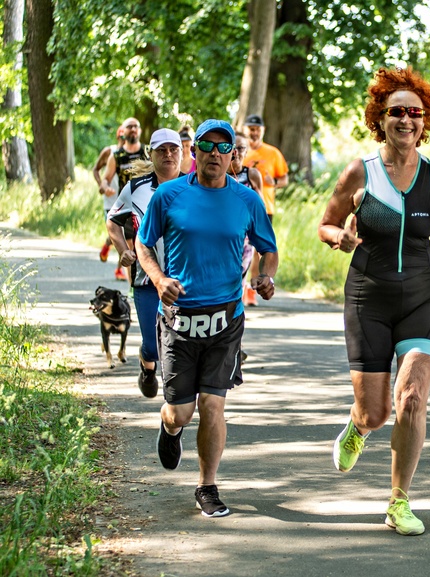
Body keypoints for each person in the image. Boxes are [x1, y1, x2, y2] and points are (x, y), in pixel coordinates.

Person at [318, 67, 430, 536]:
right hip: (368, 298)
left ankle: (399, 501)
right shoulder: (360, 171)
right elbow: (326, 223)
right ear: (381, 118)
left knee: (411, 398)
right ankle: (357, 426)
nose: (406, 120)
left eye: (415, 112)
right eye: (397, 112)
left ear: (424, 120)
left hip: (421, 297)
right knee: (377, 412)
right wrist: (341, 240)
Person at [135, 119, 278, 518]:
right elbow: (143, 243)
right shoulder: (168, 196)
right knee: (181, 411)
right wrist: (159, 278)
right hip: (180, 319)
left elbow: (269, 249)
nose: (214, 153)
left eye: (223, 147)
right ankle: (170, 427)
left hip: (226, 319)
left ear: (233, 155)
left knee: (213, 405)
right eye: (206, 146)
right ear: (193, 151)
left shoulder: (247, 200)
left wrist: (266, 277)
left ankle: (207, 485)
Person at [106, 128, 184, 399]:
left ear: (182, 153)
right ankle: (147, 367)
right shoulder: (135, 188)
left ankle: (177, 400)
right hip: (146, 280)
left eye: (174, 149)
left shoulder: (195, 186)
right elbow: (113, 220)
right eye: (161, 150)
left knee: (180, 344)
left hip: (186, 281)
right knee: (153, 345)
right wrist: (122, 251)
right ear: (151, 154)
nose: (168, 154)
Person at [242, 114, 288, 306]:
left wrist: (274, 183)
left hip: (265, 207)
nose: (254, 133)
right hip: (242, 208)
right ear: (245, 130)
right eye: (251, 129)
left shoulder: (272, 153)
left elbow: (284, 179)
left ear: (263, 131)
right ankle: (245, 289)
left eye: (257, 129)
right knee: (245, 250)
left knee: (259, 250)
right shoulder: (239, 151)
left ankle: (253, 289)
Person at [101, 117, 150, 281]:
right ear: (123, 131)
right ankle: (132, 285)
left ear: (140, 131)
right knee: (130, 247)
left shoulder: (147, 152)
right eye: (130, 127)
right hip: (128, 207)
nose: (133, 129)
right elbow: (106, 177)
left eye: (136, 126)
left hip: (147, 205)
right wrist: (105, 187)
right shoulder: (117, 155)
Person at [229, 131, 264, 339]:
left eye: (241, 148)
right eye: (232, 147)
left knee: (236, 284)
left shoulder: (251, 175)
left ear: (246, 150)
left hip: (245, 241)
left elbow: (259, 207)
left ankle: (233, 336)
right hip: (221, 238)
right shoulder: (219, 174)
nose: (236, 152)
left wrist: (262, 239)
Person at [93, 125, 126, 279]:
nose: (124, 141)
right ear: (118, 137)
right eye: (122, 137)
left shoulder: (132, 155)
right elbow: (95, 169)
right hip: (110, 201)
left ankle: (119, 270)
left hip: (125, 201)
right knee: (115, 234)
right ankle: (107, 245)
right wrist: (102, 185)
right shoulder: (109, 152)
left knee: (126, 238)